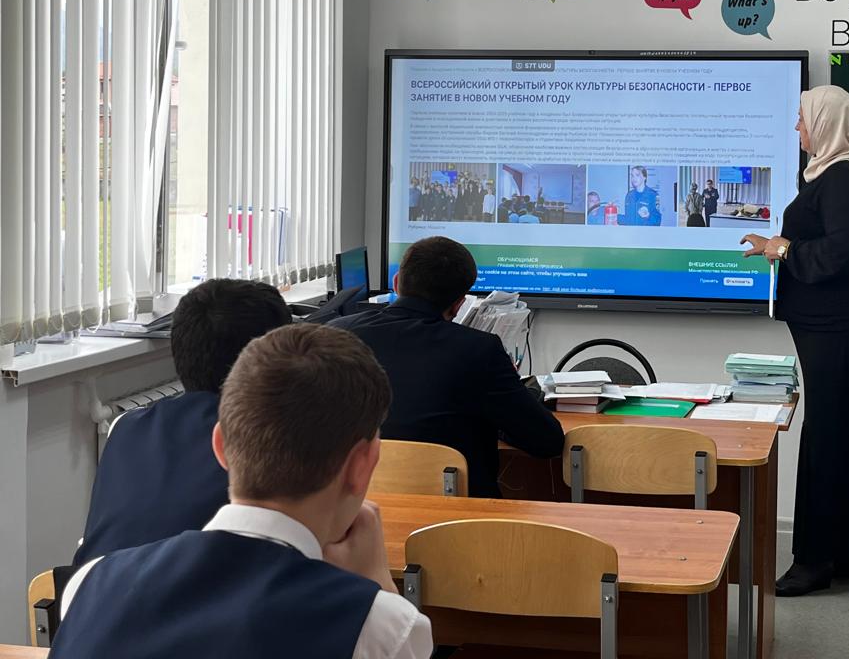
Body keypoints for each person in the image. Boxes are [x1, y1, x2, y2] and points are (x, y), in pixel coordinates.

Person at [53, 323, 434, 659]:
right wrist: (377, 586)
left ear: (220, 446)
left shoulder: (90, 583)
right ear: (362, 465)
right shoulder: (378, 626)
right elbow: (389, 629)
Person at [742, 84, 849, 596]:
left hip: (840, 333)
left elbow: (842, 253)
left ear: (826, 123)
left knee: (832, 437)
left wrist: (782, 249)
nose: (797, 128)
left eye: (802, 118)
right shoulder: (837, 174)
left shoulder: (846, 179)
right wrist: (778, 247)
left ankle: (815, 561)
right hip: (841, 330)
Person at [73, 278, 293, 568]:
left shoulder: (125, 427)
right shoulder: (270, 443)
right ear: (275, 362)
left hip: (87, 591)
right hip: (204, 594)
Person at [331, 236, 564, 498]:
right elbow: (548, 442)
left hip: (355, 505)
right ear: (459, 304)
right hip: (457, 515)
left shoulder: (335, 336)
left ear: (396, 283)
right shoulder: (479, 350)